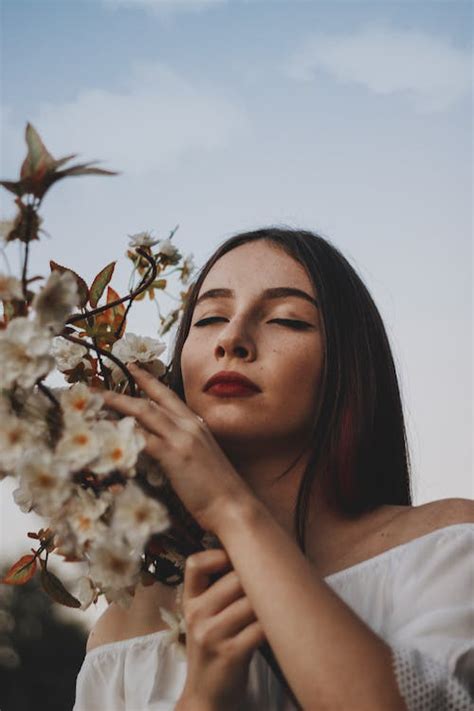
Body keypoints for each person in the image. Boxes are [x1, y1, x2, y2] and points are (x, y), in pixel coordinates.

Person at [73, 228, 473, 710]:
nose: (232, 339)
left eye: (286, 320)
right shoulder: (125, 630)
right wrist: (201, 700)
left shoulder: (446, 549)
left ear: (348, 364)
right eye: (210, 317)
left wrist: (228, 506)